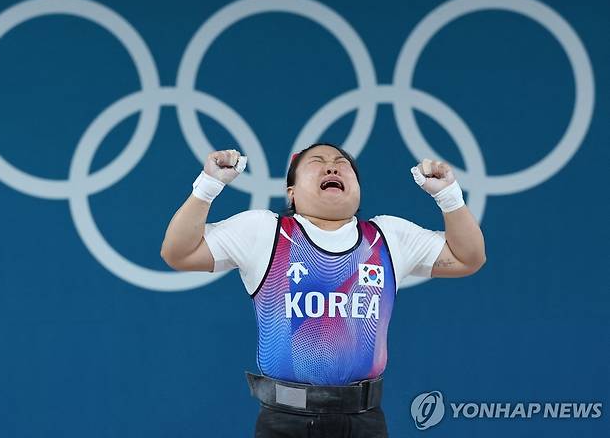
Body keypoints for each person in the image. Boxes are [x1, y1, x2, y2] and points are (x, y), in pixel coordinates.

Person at [160, 143, 486, 437]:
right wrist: (209, 185)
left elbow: (468, 259)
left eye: (341, 163)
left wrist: (448, 195)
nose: (332, 167)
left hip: (364, 423)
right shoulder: (263, 231)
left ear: (358, 189)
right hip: (284, 422)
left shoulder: (388, 237)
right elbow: (178, 252)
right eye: (317, 161)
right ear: (291, 192)